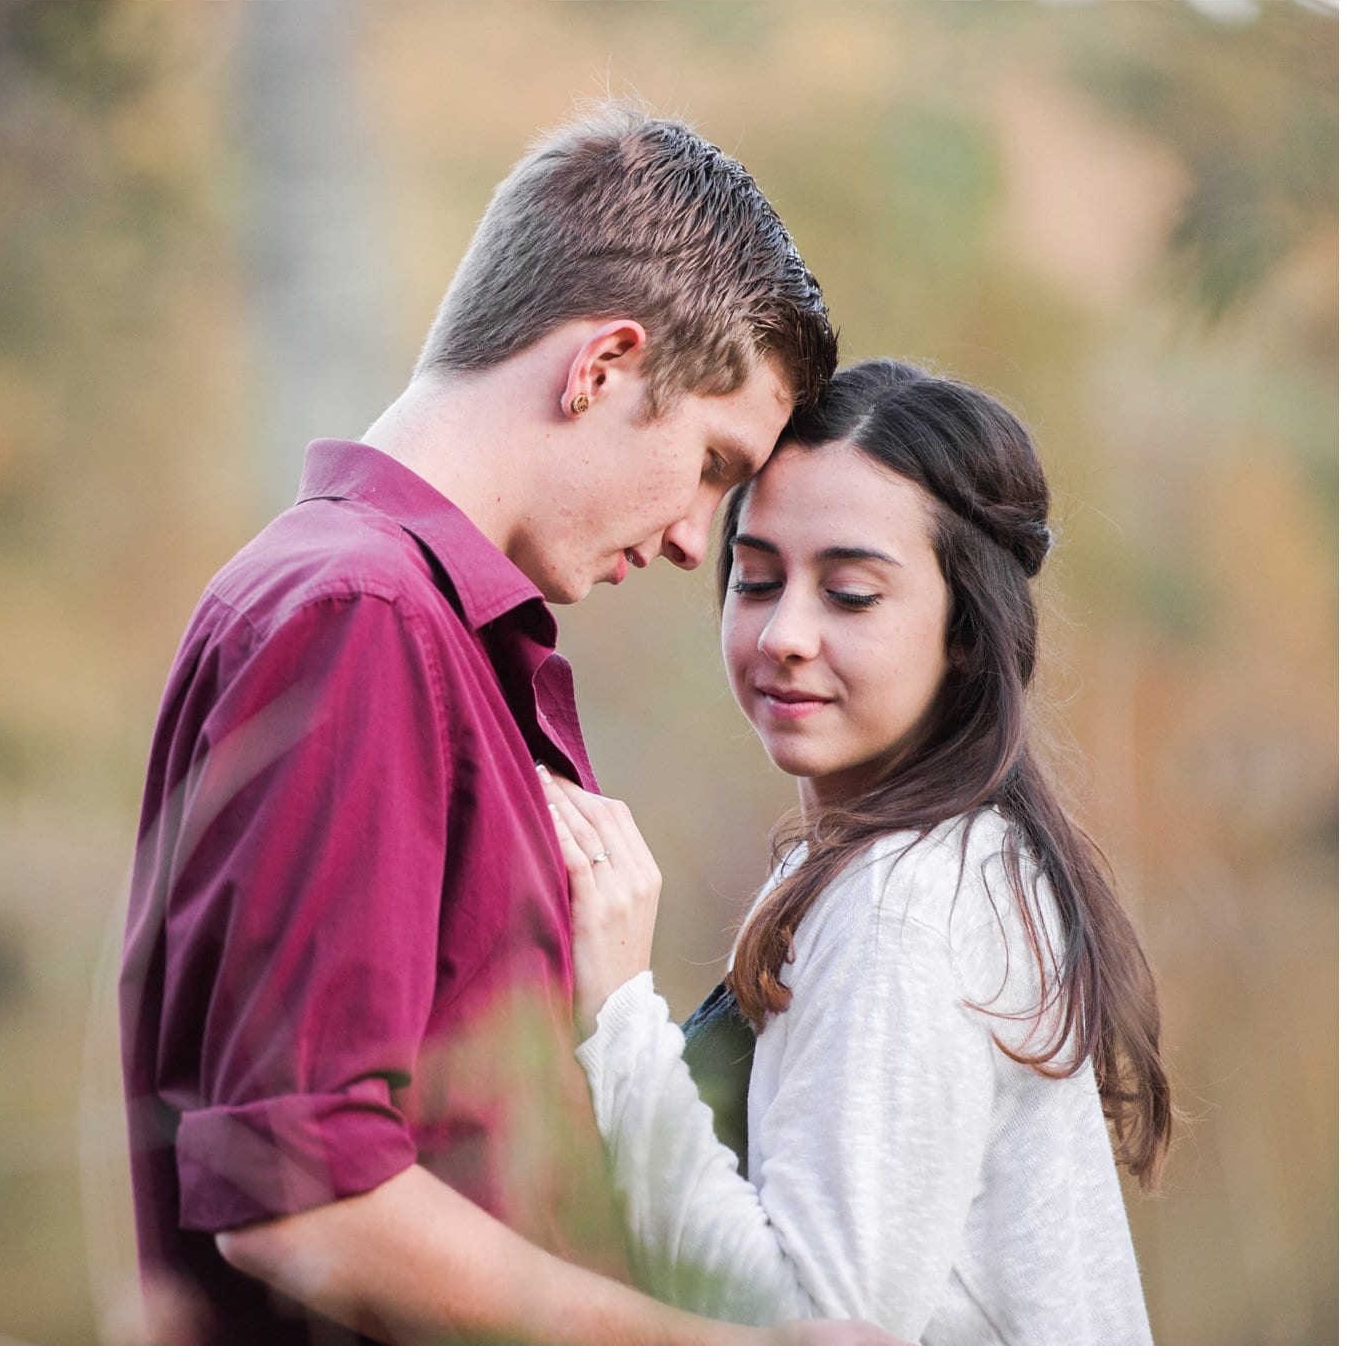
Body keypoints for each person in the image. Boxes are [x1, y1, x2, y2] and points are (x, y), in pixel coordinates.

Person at [118, 102, 889, 1343]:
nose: (701, 535)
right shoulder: (358, 616)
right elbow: (303, 1204)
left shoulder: (417, 629)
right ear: (600, 366)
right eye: (708, 463)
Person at [544, 359, 1173, 1344]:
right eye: (754, 579)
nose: (784, 632)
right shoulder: (937, 857)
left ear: (964, 629)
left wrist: (617, 1014)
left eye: (847, 593)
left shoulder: (903, 910)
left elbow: (811, 1324)